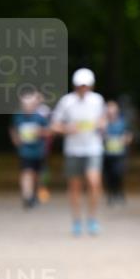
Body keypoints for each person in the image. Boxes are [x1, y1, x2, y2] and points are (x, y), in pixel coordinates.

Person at [51, 68, 106, 236]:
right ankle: (76, 220)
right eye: (80, 86)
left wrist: (101, 125)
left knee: (94, 182)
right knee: (75, 186)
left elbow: (103, 120)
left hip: (93, 148)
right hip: (73, 149)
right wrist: (67, 129)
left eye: (86, 86)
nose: (83, 88)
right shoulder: (66, 102)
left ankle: (92, 219)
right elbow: (54, 125)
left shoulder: (97, 101)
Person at [8, 90, 49, 209]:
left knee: (36, 174)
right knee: (26, 173)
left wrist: (40, 132)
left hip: (38, 151)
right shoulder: (18, 117)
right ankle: (27, 196)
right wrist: (15, 140)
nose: (27, 107)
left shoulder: (40, 117)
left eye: (29, 104)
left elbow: (48, 132)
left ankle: (35, 193)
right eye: (25, 104)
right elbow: (13, 129)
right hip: (25, 151)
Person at [103, 100, 132, 204]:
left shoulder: (123, 122)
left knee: (118, 174)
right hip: (106, 154)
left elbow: (129, 136)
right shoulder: (103, 123)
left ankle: (119, 192)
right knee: (108, 176)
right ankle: (111, 195)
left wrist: (124, 140)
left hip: (120, 154)